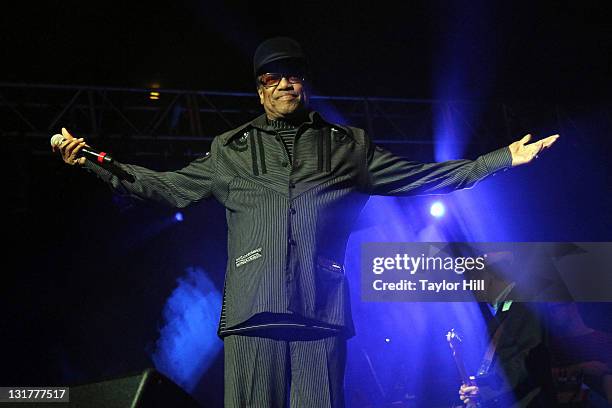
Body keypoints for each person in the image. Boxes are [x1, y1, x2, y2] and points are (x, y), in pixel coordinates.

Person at [53, 37, 559, 407]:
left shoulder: (347, 146)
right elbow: (166, 187)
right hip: (253, 317)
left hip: (321, 315)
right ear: (259, 89)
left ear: (305, 82)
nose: (284, 82)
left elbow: (421, 177)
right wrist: (97, 162)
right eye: (272, 75)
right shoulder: (229, 150)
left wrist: (501, 159)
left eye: (293, 73)